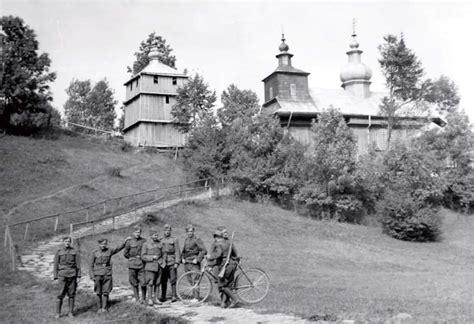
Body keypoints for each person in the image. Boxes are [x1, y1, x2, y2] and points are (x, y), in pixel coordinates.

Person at [89, 237, 129, 313]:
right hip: (97, 274)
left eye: (105, 244)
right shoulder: (94, 252)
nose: (104, 245)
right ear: (99, 244)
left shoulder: (109, 251)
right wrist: (92, 275)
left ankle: (104, 308)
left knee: (106, 291)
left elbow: (117, 248)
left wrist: (124, 242)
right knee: (98, 292)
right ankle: (99, 308)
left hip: (107, 273)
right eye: (102, 244)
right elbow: (91, 265)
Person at [209, 227, 240, 308]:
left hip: (226, 265)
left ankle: (233, 299)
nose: (216, 238)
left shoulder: (223, 243)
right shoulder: (225, 243)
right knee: (225, 285)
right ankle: (224, 303)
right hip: (223, 265)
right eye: (224, 232)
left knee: (223, 285)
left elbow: (218, 254)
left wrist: (210, 257)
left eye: (217, 236)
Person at [53, 236, 81, 318]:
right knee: (60, 294)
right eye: (65, 241)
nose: (67, 243)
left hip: (72, 275)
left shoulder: (75, 251)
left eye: (68, 241)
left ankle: (70, 312)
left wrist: (79, 276)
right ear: (63, 242)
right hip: (62, 275)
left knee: (71, 294)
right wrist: (55, 277)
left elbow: (78, 265)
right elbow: (55, 265)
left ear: (70, 242)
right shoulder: (59, 252)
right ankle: (58, 313)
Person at [181, 224, 207, 300]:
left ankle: (196, 298)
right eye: (188, 231)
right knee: (189, 280)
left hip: (194, 263)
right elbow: (183, 251)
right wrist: (182, 258)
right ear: (186, 232)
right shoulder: (186, 240)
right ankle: (194, 296)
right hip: (187, 263)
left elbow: (204, 250)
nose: (190, 233)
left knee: (196, 280)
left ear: (193, 231)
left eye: (191, 231)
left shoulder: (197, 239)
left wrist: (197, 259)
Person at [123, 226, 147, 303]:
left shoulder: (144, 241)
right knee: (134, 282)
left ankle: (143, 298)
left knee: (143, 282)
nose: (138, 234)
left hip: (141, 264)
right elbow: (125, 254)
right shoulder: (129, 242)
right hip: (132, 264)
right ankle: (137, 299)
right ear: (133, 233)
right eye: (136, 232)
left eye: (139, 232)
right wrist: (132, 258)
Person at [159, 223, 180, 302]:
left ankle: (174, 296)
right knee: (163, 280)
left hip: (172, 261)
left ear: (170, 231)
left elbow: (177, 251)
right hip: (163, 262)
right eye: (165, 230)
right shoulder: (160, 240)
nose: (167, 232)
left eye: (168, 230)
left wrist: (177, 262)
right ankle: (163, 296)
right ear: (163, 231)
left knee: (173, 279)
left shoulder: (174, 239)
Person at [141, 229, 163, 306]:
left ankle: (156, 298)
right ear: (151, 236)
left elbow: (163, 254)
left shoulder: (160, 244)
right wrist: (152, 257)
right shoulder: (146, 244)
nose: (156, 237)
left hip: (159, 266)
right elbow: (143, 256)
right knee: (150, 283)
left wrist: (163, 262)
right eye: (154, 235)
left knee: (158, 283)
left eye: (157, 235)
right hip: (150, 266)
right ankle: (150, 299)